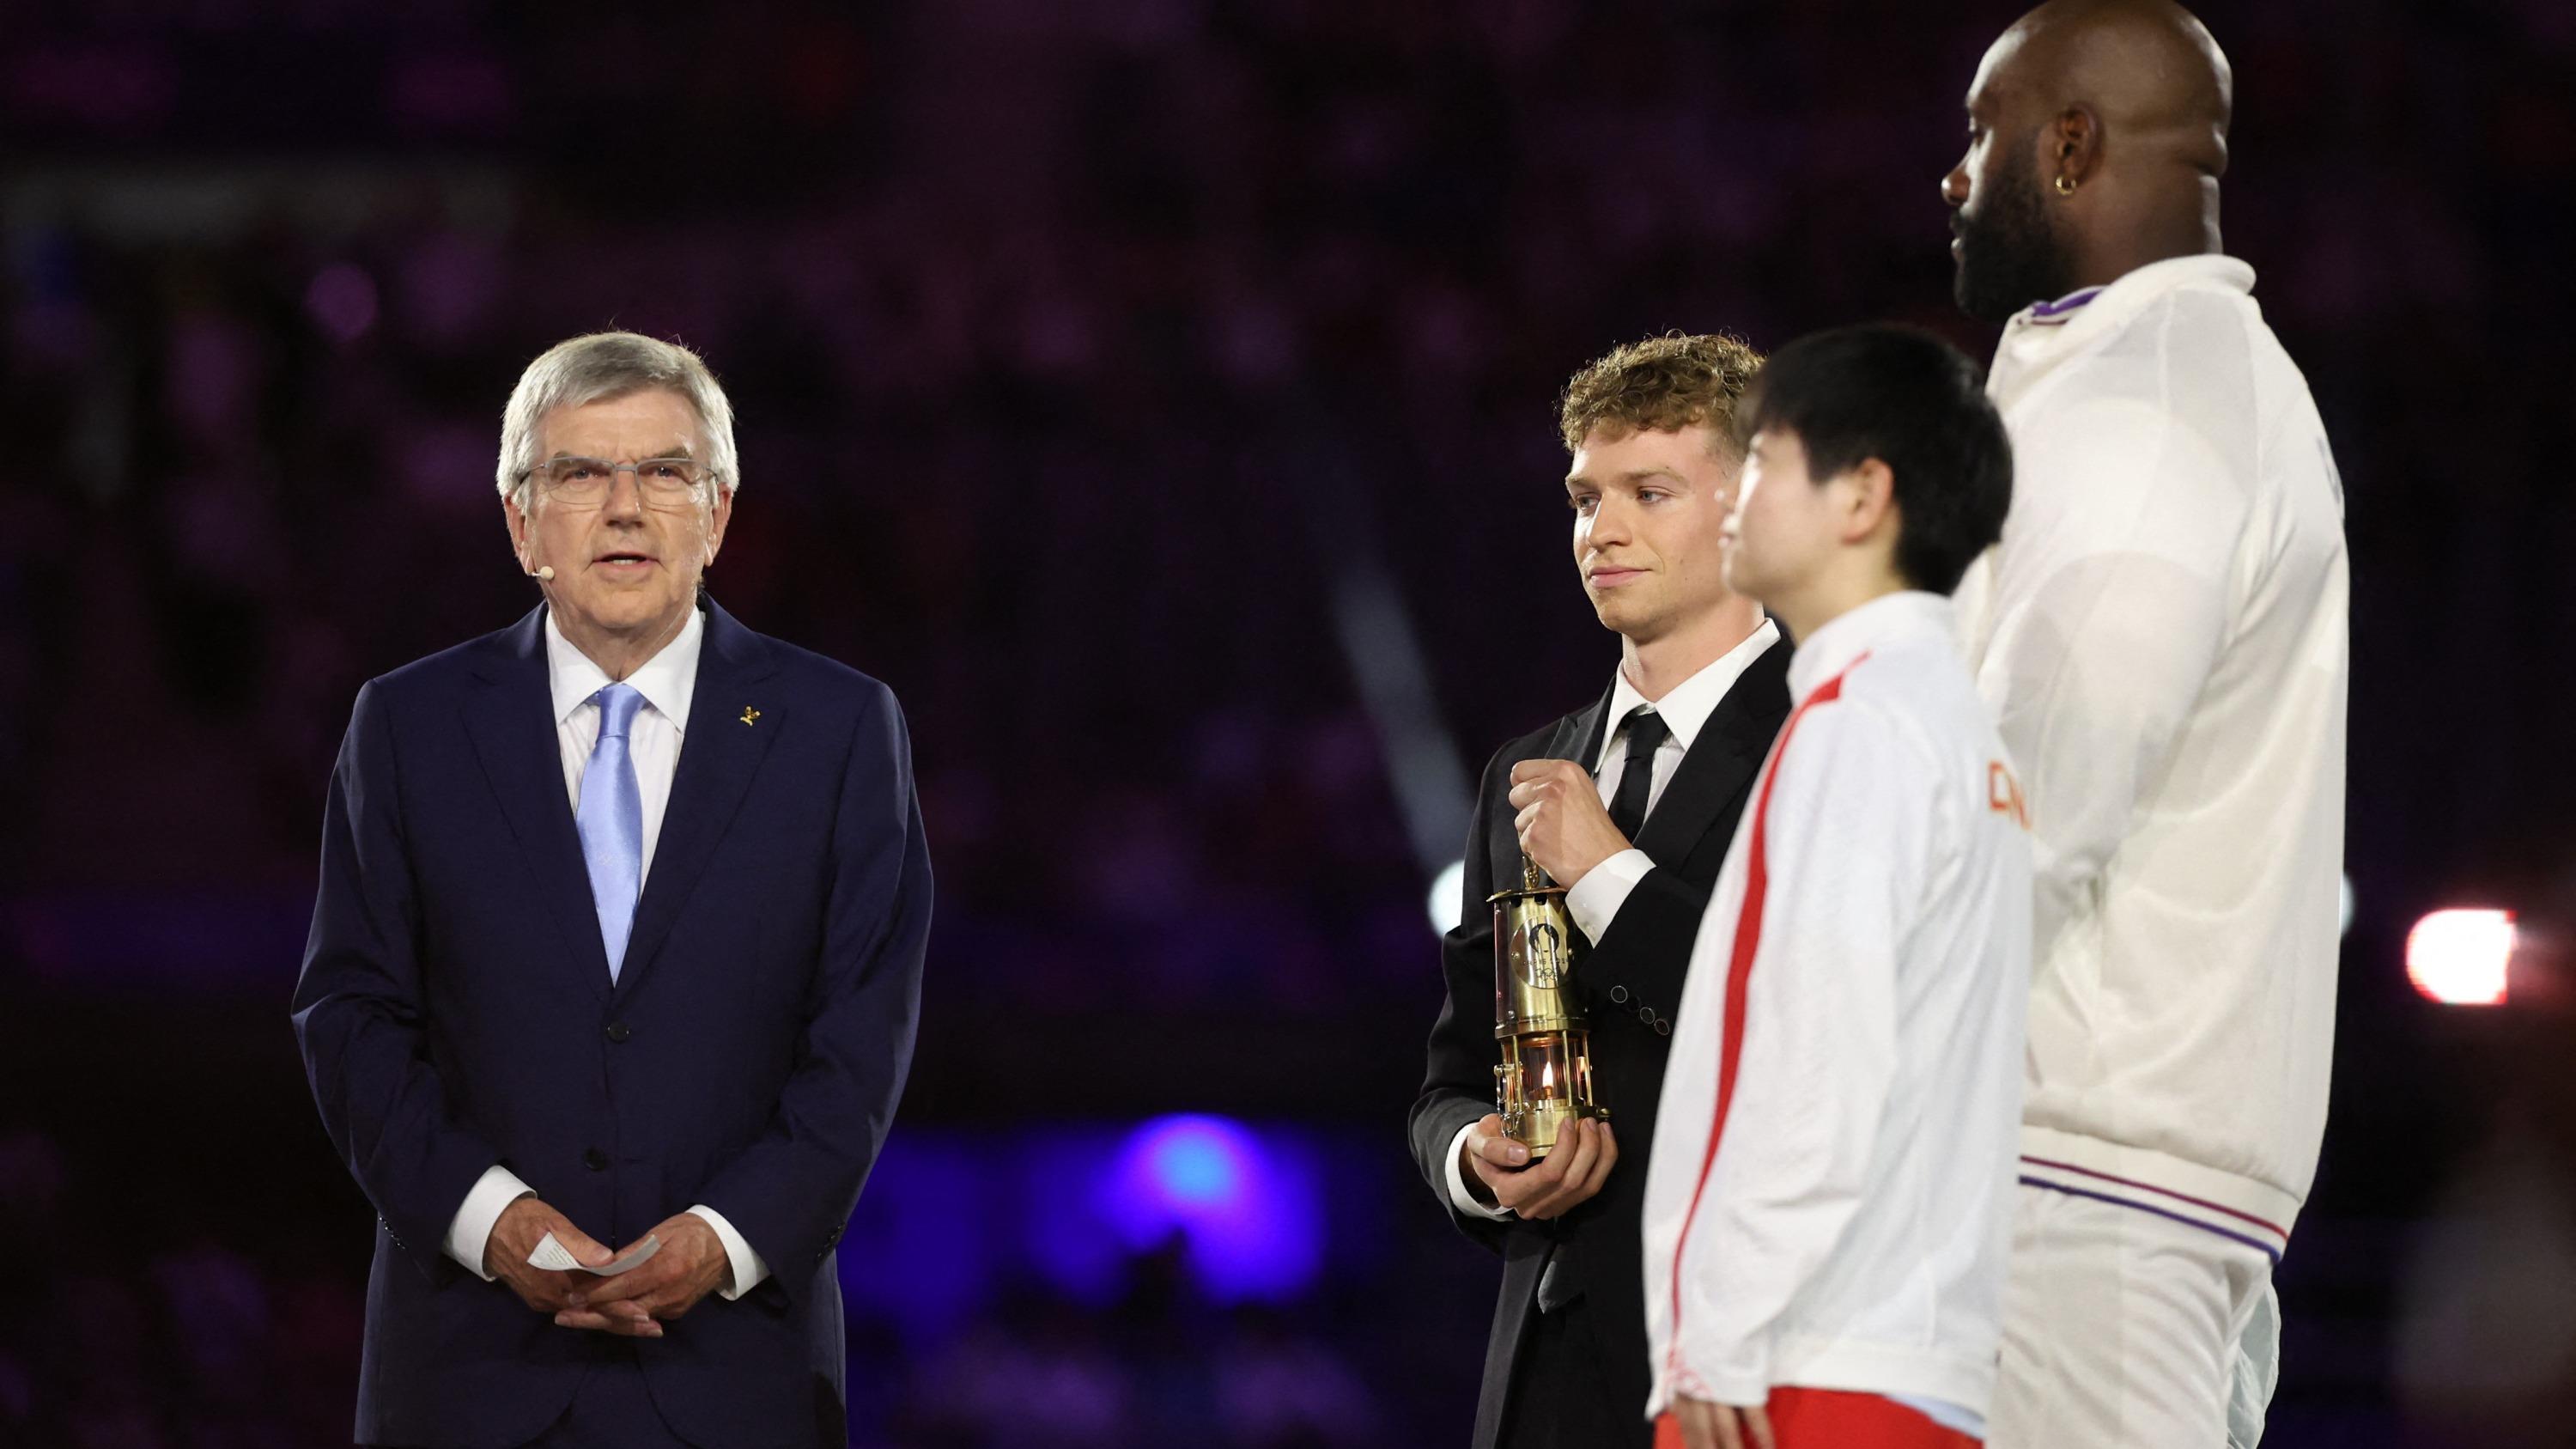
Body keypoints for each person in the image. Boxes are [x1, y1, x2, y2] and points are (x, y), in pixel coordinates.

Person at [290, 332, 932, 1448]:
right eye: (581, 473)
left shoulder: (840, 731)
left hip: (738, 1382)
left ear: (719, 515)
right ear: (518, 521)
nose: (626, 507)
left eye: (666, 472)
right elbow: (351, 1018)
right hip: (465, 1378)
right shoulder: (407, 727)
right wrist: (495, 1224)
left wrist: (723, 1238)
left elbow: (862, 1045)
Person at [1941, 3, 2349, 1445]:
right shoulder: (2157, 383)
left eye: (1977, 137)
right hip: (2109, 1192)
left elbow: (2027, 821)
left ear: (2067, 147)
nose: (1954, 178)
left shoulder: (2150, 413)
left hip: (2073, 1199)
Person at [1642, 324, 2031, 1449]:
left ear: (1862, 497)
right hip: (1895, 1360)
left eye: (1761, 461)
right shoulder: (1952, 725)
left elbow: (1816, 1054)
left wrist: (1716, 1329)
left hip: (1796, 1372)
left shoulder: (1860, 724)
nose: (1730, 500)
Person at [1409, 332, 1792, 1449]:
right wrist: (1476, 1159)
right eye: (1584, 497)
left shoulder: (1829, 741)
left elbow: (1807, 1028)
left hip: (1738, 1364)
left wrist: (1609, 877)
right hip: (1537, 1381)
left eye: (1648, 492)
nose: (1601, 530)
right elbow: (1448, 1077)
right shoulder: (1523, 773)